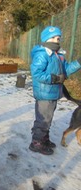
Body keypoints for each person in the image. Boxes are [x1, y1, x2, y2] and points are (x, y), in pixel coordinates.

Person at [29, 26, 81, 155]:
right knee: (43, 119)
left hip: (53, 93)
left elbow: (66, 70)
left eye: (58, 38)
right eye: (53, 37)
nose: (56, 40)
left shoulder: (59, 56)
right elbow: (36, 73)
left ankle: (44, 139)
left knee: (48, 119)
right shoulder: (43, 54)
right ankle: (36, 143)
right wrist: (54, 78)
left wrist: (79, 62)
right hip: (44, 94)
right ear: (46, 39)